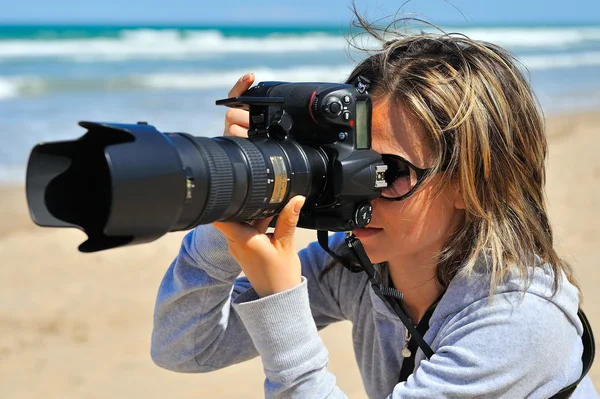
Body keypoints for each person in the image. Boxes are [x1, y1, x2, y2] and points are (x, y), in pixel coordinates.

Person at [150, 16, 599, 398]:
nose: (357, 191)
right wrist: (234, 211)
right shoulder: (360, 266)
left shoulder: (519, 321)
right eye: (349, 163)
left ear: (472, 185)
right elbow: (184, 346)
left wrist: (281, 300)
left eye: (387, 172)